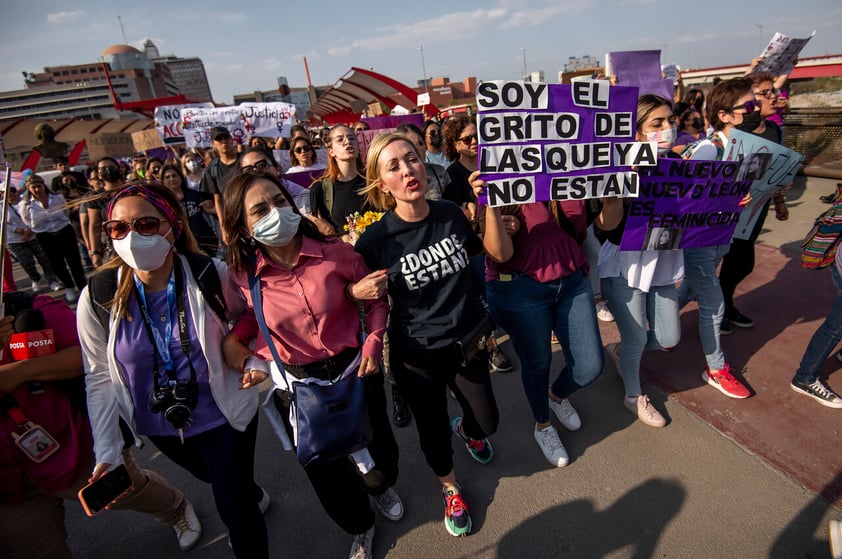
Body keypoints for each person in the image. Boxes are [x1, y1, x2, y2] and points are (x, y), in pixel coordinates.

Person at [76, 183, 269, 558]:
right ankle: (246, 490)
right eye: (118, 229)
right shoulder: (97, 295)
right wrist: (108, 451)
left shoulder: (207, 274)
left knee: (233, 504)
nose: (132, 237)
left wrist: (252, 357)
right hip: (161, 423)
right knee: (215, 478)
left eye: (146, 224)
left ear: (172, 226)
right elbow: (98, 375)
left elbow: (251, 317)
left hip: (223, 414)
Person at [218, 172, 401, 559]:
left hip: (356, 371)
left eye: (279, 201)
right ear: (243, 227)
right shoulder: (243, 276)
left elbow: (376, 298)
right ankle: (361, 527)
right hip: (300, 391)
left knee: (380, 460)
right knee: (327, 474)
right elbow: (254, 321)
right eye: (260, 210)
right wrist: (246, 352)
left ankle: (380, 487)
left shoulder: (335, 252)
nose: (276, 212)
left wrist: (373, 340)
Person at [356, 133, 500, 537]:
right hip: (415, 355)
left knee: (487, 422)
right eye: (394, 167)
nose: (407, 171)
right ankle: (451, 488)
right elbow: (353, 294)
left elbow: (478, 258)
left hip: (465, 342)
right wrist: (354, 291)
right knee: (432, 431)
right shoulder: (374, 242)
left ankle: (467, 431)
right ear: (382, 184)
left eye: (412, 159)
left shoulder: (450, 213)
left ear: (424, 164)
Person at [0, 291, 202, 557]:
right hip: (9, 484)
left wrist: (22, 370)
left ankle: (175, 508)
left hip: (72, 447)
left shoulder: (25, 308)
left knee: (125, 491)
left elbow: (90, 356)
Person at [601, 94, 684, 428]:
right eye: (657, 123)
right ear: (634, 133)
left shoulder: (679, 165)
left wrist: (727, 201)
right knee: (637, 337)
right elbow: (606, 227)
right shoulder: (617, 168)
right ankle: (633, 395)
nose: (668, 128)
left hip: (662, 262)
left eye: (670, 121)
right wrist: (623, 181)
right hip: (626, 263)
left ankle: (623, 351)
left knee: (668, 338)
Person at [678, 77, 756, 398]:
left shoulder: (742, 148)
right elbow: (682, 197)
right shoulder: (708, 149)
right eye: (747, 106)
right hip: (700, 239)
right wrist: (726, 198)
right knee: (713, 302)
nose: (754, 110)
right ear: (725, 115)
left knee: (687, 293)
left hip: (722, 236)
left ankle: (642, 338)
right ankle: (716, 367)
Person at [718, 71, 791, 335]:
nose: (773, 97)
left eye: (774, 91)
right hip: (733, 210)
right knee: (732, 260)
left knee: (743, 263)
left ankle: (723, 303)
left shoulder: (773, 130)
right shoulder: (737, 133)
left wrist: (780, 200)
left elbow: (778, 169)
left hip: (758, 208)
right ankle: (719, 307)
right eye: (765, 93)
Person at [442, 115, 514, 373]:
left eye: (477, 136)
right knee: (483, 298)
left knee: (501, 290)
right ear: (455, 144)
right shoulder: (451, 175)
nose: (474, 142)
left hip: (502, 238)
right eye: (467, 139)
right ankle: (492, 345)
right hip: (472, 248)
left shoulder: (494, 163)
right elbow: (454, 216)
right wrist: (470, 213)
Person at [21, 174, 86, 304]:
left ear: (44, 185)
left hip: (63, 230)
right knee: (57, 263)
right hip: (45, 235)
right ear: (28, 188)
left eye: (39, 186)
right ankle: (69, 287)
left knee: (74, 261)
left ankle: (83, 287)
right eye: (33, 187)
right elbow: (27, 221)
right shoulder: (26, 204)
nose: (37, 190)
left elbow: (65, 212)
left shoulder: (57, 197)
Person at [309, 124, 368, 234]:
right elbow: (319, 232)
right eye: (340, 140)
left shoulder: (373, 181)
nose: (347, 142)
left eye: (351, 138)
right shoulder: (320, 189)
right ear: (331, 152)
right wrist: (338, 237)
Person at [4, 186, 62, 293]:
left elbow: (36, 216)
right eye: (7, 194)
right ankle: (35, 278)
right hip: (16, 240)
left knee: (44, 260)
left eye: (12, 193)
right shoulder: (2, 207)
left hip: (33, 235)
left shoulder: (26, 202)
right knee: (26, 262)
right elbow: (3, 224)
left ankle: (52, 280)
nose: (11, 196)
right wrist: (20, 231)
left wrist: (30, 231)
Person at [159, 164, 219, 255]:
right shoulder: (164, 202)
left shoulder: (194, 194)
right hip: (183, 244)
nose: (171, 179)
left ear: (181, 177)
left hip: (205, 239)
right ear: (163, 181)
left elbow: (210, 211)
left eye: (174, 175)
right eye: (167, 177)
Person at [239, 145, 311, 214]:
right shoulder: (241, 203)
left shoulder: (302, 196)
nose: (256, 171)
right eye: (248, 170)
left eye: (261, 165)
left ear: (277, 169)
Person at [200, 126, 241, 241]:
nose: (224, 142)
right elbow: (217, 200)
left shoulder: (245, 160)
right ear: (213, 143)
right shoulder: (212, 169)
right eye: (219, 139)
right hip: (232, 222)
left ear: (232, 139)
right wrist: (224, 228)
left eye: (226, 137)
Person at [84, 156, 126, 269]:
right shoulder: (96, 197)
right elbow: (94, 226)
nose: (108, 170)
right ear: (98, 175)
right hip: (113, 245)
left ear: (119, 169)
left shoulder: (131, 189)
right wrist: (95, 252)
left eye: (111, 167)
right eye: (103, 168)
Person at [395, 123, 449, 201]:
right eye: (412, 145)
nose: (419, 148)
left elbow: (453, 202)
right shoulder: (396, 177)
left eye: (420, 143)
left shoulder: (439, 172)